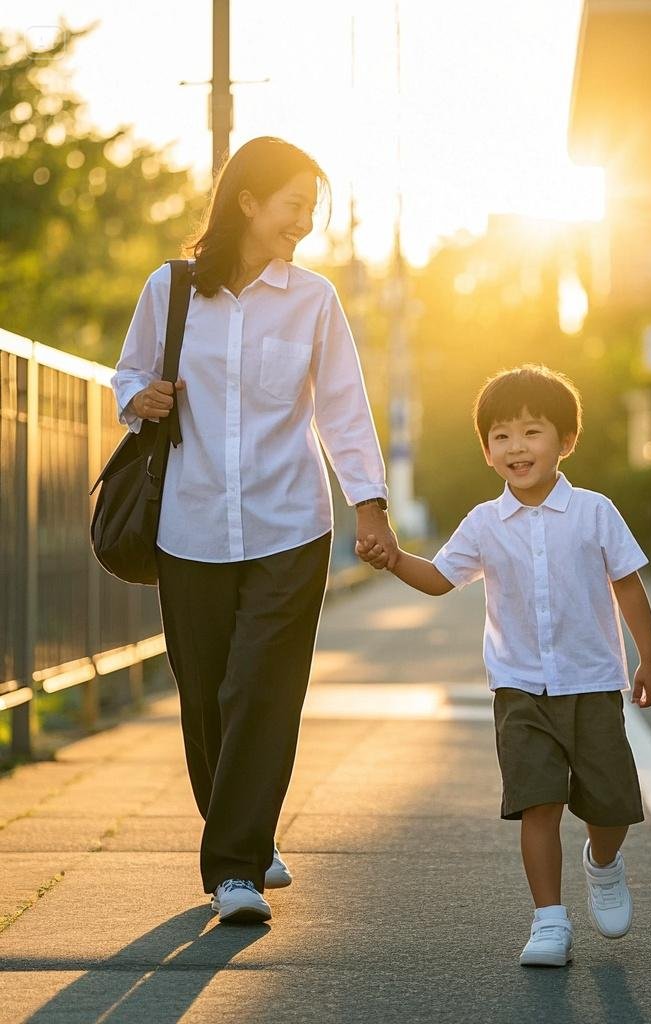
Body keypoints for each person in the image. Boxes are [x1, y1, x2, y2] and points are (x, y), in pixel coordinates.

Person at [112, 136, 397, 924]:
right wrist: (141, 399)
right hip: (189, 525)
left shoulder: (313, 300)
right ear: (247, 202)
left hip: (289, 524)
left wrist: (368, 503)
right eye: (294, 207)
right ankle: (247, 831)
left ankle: (234, 868)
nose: (304, 224)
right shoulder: (169, 291)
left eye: (312, 210)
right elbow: (128, 373)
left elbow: (342, 406)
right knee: (205, 697)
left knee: (261, 691)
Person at [357, 364, 651, 966]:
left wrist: (649, 657)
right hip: (519, 686)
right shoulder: (482, 523)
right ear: (487, 451)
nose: (517, 446)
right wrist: (393, 559)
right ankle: (549, 920)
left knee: (611, 806)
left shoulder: (595, 512)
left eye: (532, 432)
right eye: (501, 435)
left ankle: (602, 864)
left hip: (592, 682)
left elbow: (628, 586)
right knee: (538, 802)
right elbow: (442, 579)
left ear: (565, 442)